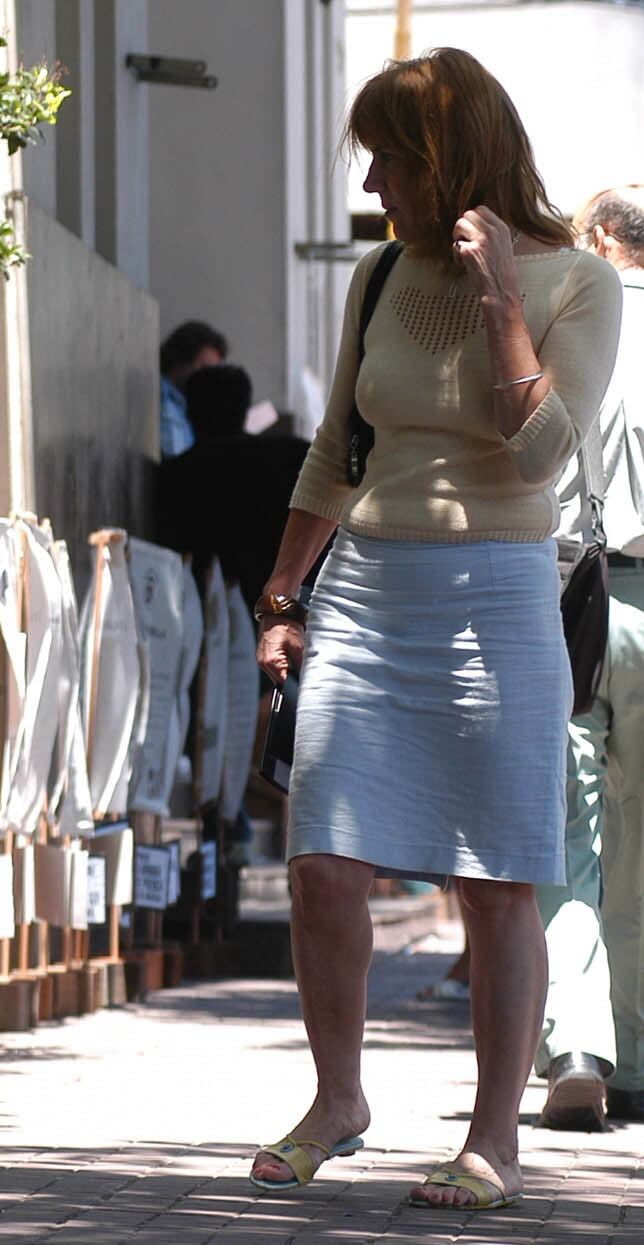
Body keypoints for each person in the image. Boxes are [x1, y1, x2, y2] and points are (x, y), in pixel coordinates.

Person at [248, 48, 621, 1211]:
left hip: (497, 594)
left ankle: (492, 1137)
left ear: (450, 160)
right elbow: (334, 447)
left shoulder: (577, 283)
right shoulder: (374, 275)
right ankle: (338, 1101)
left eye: (391, 162)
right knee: (321, 860)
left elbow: (543, 455)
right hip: (365, 587)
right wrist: (281, 595)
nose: (373, 187)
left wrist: (502, 296)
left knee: (496, 878)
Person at [535, 186, 644, 1131]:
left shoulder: (569, 322)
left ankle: (577, 1040)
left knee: (568, 831)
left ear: (602, 240)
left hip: (572, 594)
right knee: (642, 839)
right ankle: (637, 1057)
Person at [156, 363, 311, 610]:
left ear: (191, 414)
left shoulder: (179, 476)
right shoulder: (297, 456)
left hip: (213, 613)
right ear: (245, 408)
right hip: (294, 600)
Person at [159, 320, 227, 458]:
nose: (211, 380)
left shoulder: (191, 408)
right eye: (205, 369)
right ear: (181, 361)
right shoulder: (159, 397)